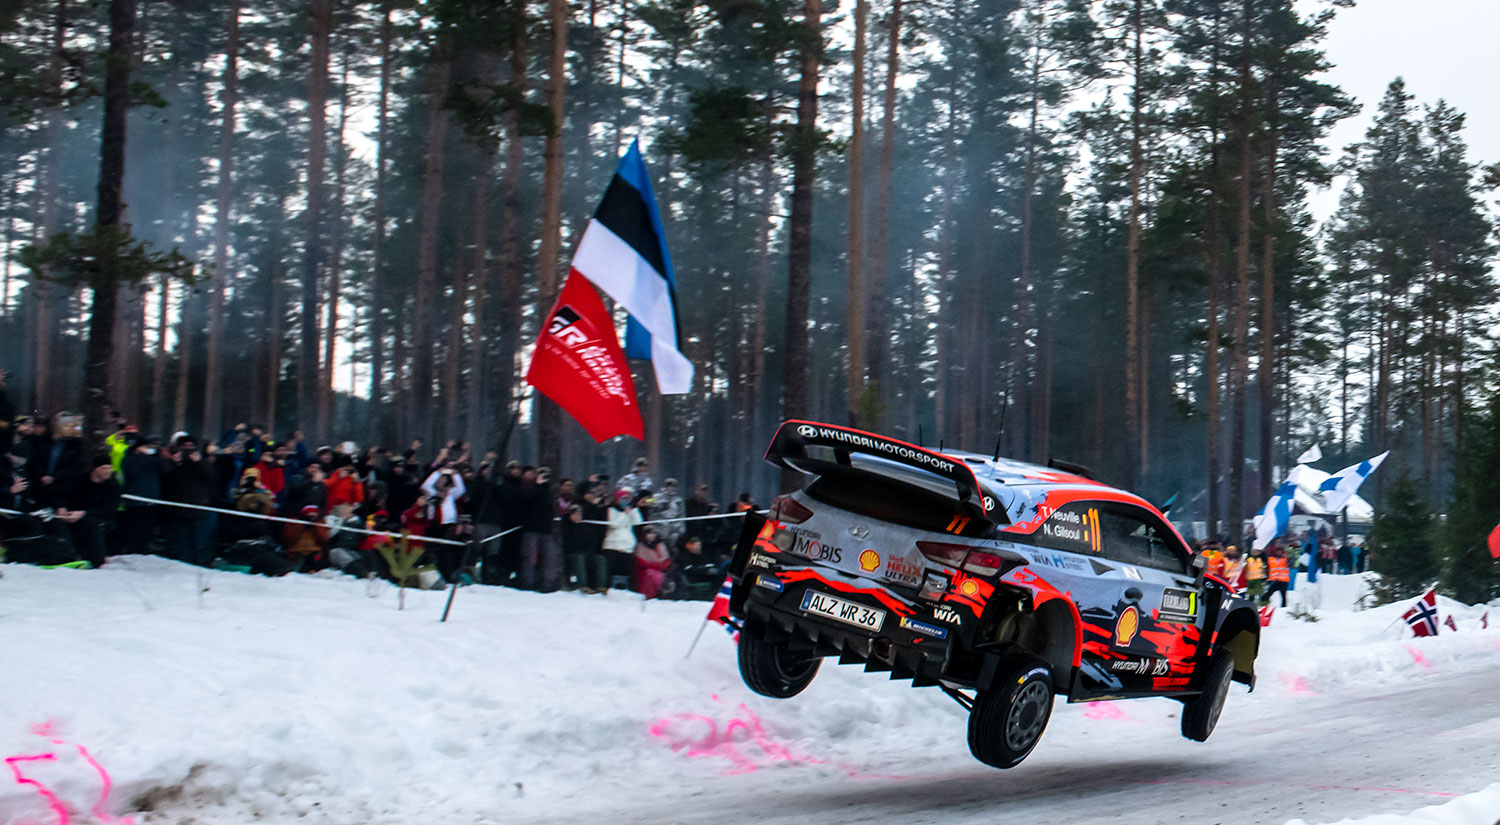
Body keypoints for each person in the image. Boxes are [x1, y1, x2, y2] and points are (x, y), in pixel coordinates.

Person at [55, 455, 122, 568]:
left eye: (110, 468)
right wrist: (62, 507)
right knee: (57, 524)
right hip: (72, 515)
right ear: (96, 469)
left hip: (98, 518)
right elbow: (61, 495)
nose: (108, 471)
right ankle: (64, 555)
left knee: (92, 524)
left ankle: (98, 559)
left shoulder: (113, 486)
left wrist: (83, 513)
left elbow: (108, 509)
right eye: (105, 468)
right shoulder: (78, 479)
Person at [162, 435, 218, 566]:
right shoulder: (173, 463)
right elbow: (166, 479)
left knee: (199, 541)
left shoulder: (202, 463)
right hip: (178, 508)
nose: (187, 451)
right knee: (182, 541)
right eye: (184, 447)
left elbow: (210, 477)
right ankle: (182, 563)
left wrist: (198, 462)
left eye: (190, 447)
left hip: (198, 507)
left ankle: (201, 563)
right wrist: (175, 462)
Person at [603, 489, 643, 590]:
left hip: (627, 545)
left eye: (627, 498)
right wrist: (624, 514)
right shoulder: (611, 510)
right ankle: (608, 586)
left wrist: (633, 511)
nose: (625, 501)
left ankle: (624, 587)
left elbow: (638, 522)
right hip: (613, 544)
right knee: (612, 568)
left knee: (625, 569)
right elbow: (613, 524)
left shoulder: (631, 510)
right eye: (622, 498)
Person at [633, 527, 672, 599]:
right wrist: (657, 565)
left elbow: (666, 560)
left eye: (652, 533)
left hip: (661, 569)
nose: (651, 535)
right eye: (649, 533)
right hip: (645, 571)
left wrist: (661, 566)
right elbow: (642, 563)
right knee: (651, 574)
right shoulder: (640, 547)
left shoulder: (661, 545)